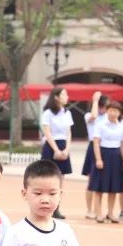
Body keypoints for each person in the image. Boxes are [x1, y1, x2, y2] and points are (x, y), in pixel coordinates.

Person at [87, 101, 123, 223]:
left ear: (120, 113)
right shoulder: (100, 124)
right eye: (111, 110)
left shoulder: (121, 126)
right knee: (99, 187)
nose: (113, 113)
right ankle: (98, 214)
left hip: (116, 157)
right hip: (103, 154)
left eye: (116, 111)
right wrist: (98, 159)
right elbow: (96, 142)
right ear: (107, 111)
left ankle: (110, 213)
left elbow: (122, 144)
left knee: (114, 187)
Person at [40, 87, 72, 219]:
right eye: (64, 94)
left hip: (63, 145)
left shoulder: (67, 113)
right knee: (48, 177)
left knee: (61, 179)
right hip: (51, 146)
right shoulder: (47, 113)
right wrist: (56, 150)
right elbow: (47, 133)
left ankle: (56, 208)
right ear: (56, 97)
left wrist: (66, 149)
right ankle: (44, 206)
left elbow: (68, 133)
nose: (67, 97)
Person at [81, 92, 108, 219]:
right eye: (103, 106)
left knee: (104, 180)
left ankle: (102, 210)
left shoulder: (108, 116)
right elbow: (94, 115)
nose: (104, 109)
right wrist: (95, 100)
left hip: (106, 147)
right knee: (91, 180)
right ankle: (89, 210)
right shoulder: (88, 116)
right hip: (93, 146)